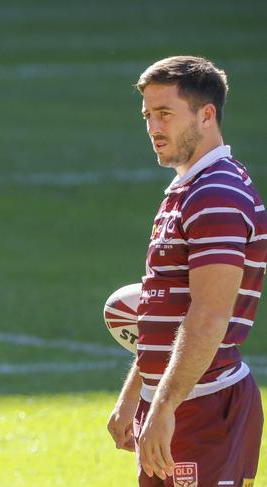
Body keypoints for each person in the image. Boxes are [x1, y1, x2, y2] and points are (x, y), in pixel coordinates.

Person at [107, 55, 267, 487]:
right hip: (177, 401)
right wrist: (136, 394)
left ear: (207, 114)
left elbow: (209, 315)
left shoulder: (216, 193)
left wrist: (162, 406)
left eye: (165, 114)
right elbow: (168, 306)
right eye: (147, 116)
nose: (154, 128)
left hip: (203, 405)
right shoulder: (185, 192)